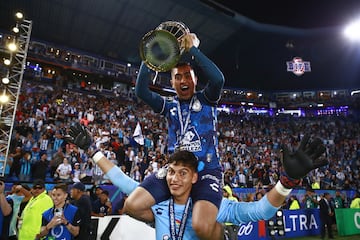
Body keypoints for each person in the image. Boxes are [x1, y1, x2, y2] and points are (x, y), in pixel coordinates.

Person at [67, 122, 328, 239]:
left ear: (195, 177)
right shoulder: (159, 201)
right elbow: (121, 179)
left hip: (211, 230)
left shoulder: (212, 205)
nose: (175, 178)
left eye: (183, 173)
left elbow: (261, 210)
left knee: (204, 226)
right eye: (171, 171)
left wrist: (287, 181)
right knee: (132, 202)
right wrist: (92, 149)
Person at [134, 31, 225, 239]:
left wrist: (193, 50)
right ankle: (170, 222)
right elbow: (141, 92)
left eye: (187, 76)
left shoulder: (207, 99)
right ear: (172, 84)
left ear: (195, 81)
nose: (183, 80)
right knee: (132, 205)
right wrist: (149, 60)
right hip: (175, 171)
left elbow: (218, 79)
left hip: (206, 170)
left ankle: (222, 233)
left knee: (202, 227)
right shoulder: (168, 106)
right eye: (177, 77)